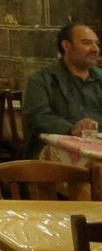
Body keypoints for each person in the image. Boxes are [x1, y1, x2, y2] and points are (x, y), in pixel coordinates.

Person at [24, 22, 102, 157]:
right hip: (56, 157)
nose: (95, 49)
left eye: (97, 44)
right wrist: (71, 129)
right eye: (87, 43)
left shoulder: (100, 77)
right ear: (66, 46)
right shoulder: (42, 80)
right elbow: (38, 116)